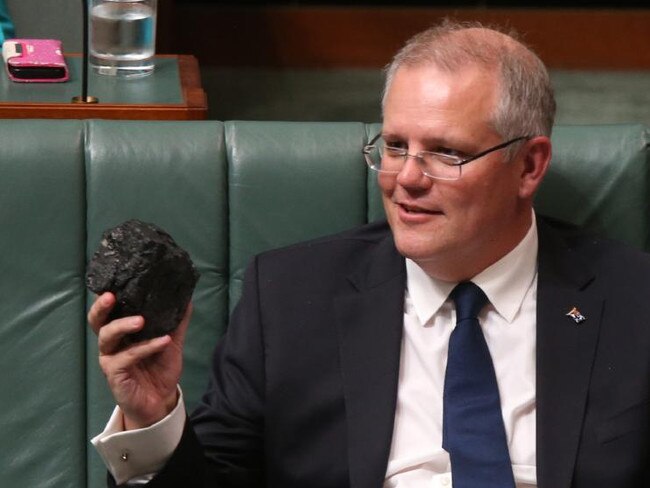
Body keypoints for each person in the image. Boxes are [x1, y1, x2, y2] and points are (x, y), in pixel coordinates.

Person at [89, 20, 650, 488]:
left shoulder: (633, 301)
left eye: (445, 153)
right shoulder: (288, 296)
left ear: (529, 166)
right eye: (396, 146)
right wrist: (156, 416)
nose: (405, 178)